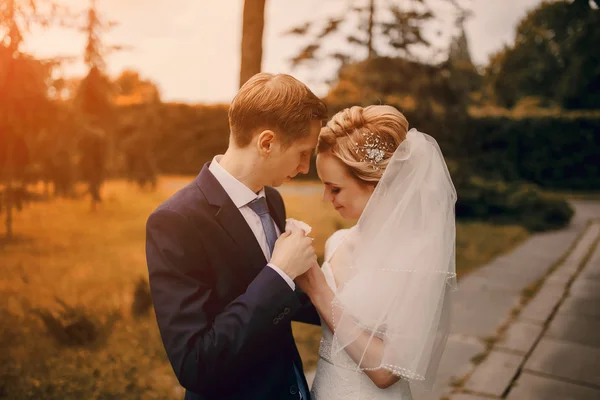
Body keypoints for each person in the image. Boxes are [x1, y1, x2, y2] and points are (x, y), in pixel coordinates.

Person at [145, 73, 328, 400]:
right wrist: (280, 273)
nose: (304, 168)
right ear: (267, 143)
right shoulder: (176, 222)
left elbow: (280, 305)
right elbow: (194, 363)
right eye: (303, 153)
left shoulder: (272, 200)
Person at [298, 105, 457, 399]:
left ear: (375, 184)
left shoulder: (418, 256)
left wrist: (318, 289)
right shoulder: (337, 242)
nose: (325, 198)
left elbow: (386, 371)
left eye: (334, 189)